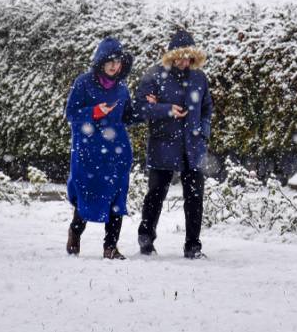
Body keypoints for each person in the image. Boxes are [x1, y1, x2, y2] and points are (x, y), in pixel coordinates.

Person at [135, 29, 213, 259]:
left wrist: (203, 131)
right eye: (179, 56)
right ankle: (146, 238)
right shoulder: (154, 76)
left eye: (188, 56)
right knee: (156, 193)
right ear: (171, 56)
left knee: (195, 197)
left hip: (193, 146)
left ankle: (193, 246)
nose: (183, 61)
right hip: (163, 144)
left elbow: (207, 107)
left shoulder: (199, 78)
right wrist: (166, 110)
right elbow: (140, 108)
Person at [64, 37, 140, 260]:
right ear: (101, 62)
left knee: (116, 200)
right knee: (87, 197)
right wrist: (94, 112)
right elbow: (71, 113)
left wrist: (150, 108)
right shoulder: (83, 83)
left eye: (118, 62)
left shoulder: (122, 89)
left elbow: (129, 116)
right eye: (110, 62)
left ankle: (110, 247)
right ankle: (75, 232)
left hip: (116, 155)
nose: (115, 66)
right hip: (89, 154)